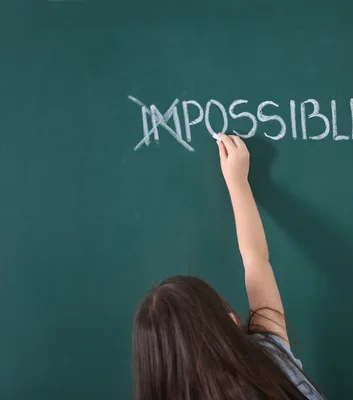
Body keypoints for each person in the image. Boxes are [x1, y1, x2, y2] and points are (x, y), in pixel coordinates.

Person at [132, 133, 324, 400]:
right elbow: (256, 259)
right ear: (222, 325)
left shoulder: (268, 355)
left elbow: (255, 260)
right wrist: (237, 182)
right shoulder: (270, 359)